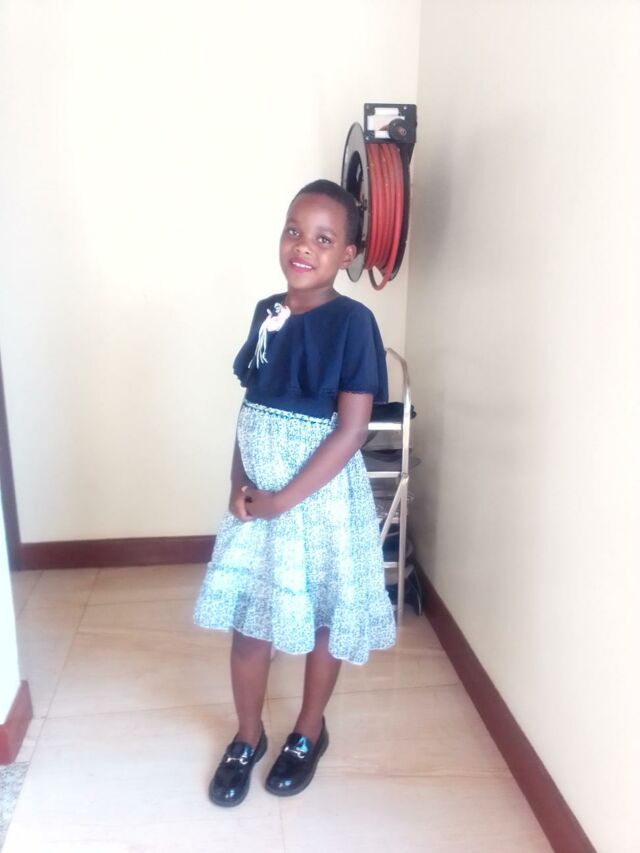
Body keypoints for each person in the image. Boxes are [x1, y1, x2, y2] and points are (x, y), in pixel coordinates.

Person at [193, 179, 396, 807]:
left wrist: (286, 499)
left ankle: (309, 730)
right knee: (251, 623)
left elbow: (352, 429)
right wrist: (239, 482)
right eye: (293, 231)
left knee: (323, 617)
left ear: (348, 255)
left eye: (323, 239)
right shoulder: (267, 312)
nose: (303, 247)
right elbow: (251, 408)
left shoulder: (354, 322)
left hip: (320, 502)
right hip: (259, 502)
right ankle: (247, 736)